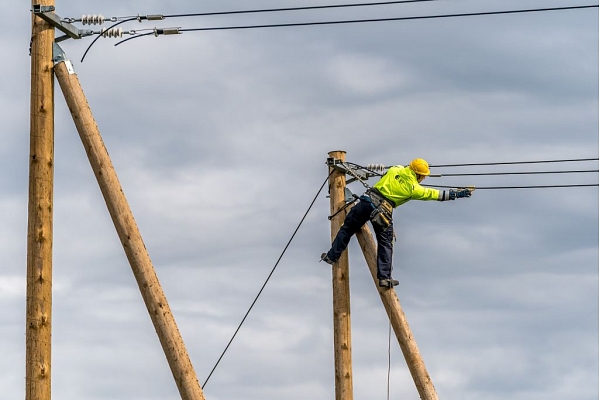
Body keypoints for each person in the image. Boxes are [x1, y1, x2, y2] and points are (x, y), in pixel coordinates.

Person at [321, 158, 473, 288]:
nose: (424, 178)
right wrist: (457, 194)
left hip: (367, 200)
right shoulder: (414, 189)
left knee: (347, 228)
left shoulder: (396, 169)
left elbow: (389, 173)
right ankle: (384, 278)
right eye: (424, 176)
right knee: (386, 243)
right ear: (418, 174)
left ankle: (331, 256)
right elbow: (435, 194)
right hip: (382, 210)